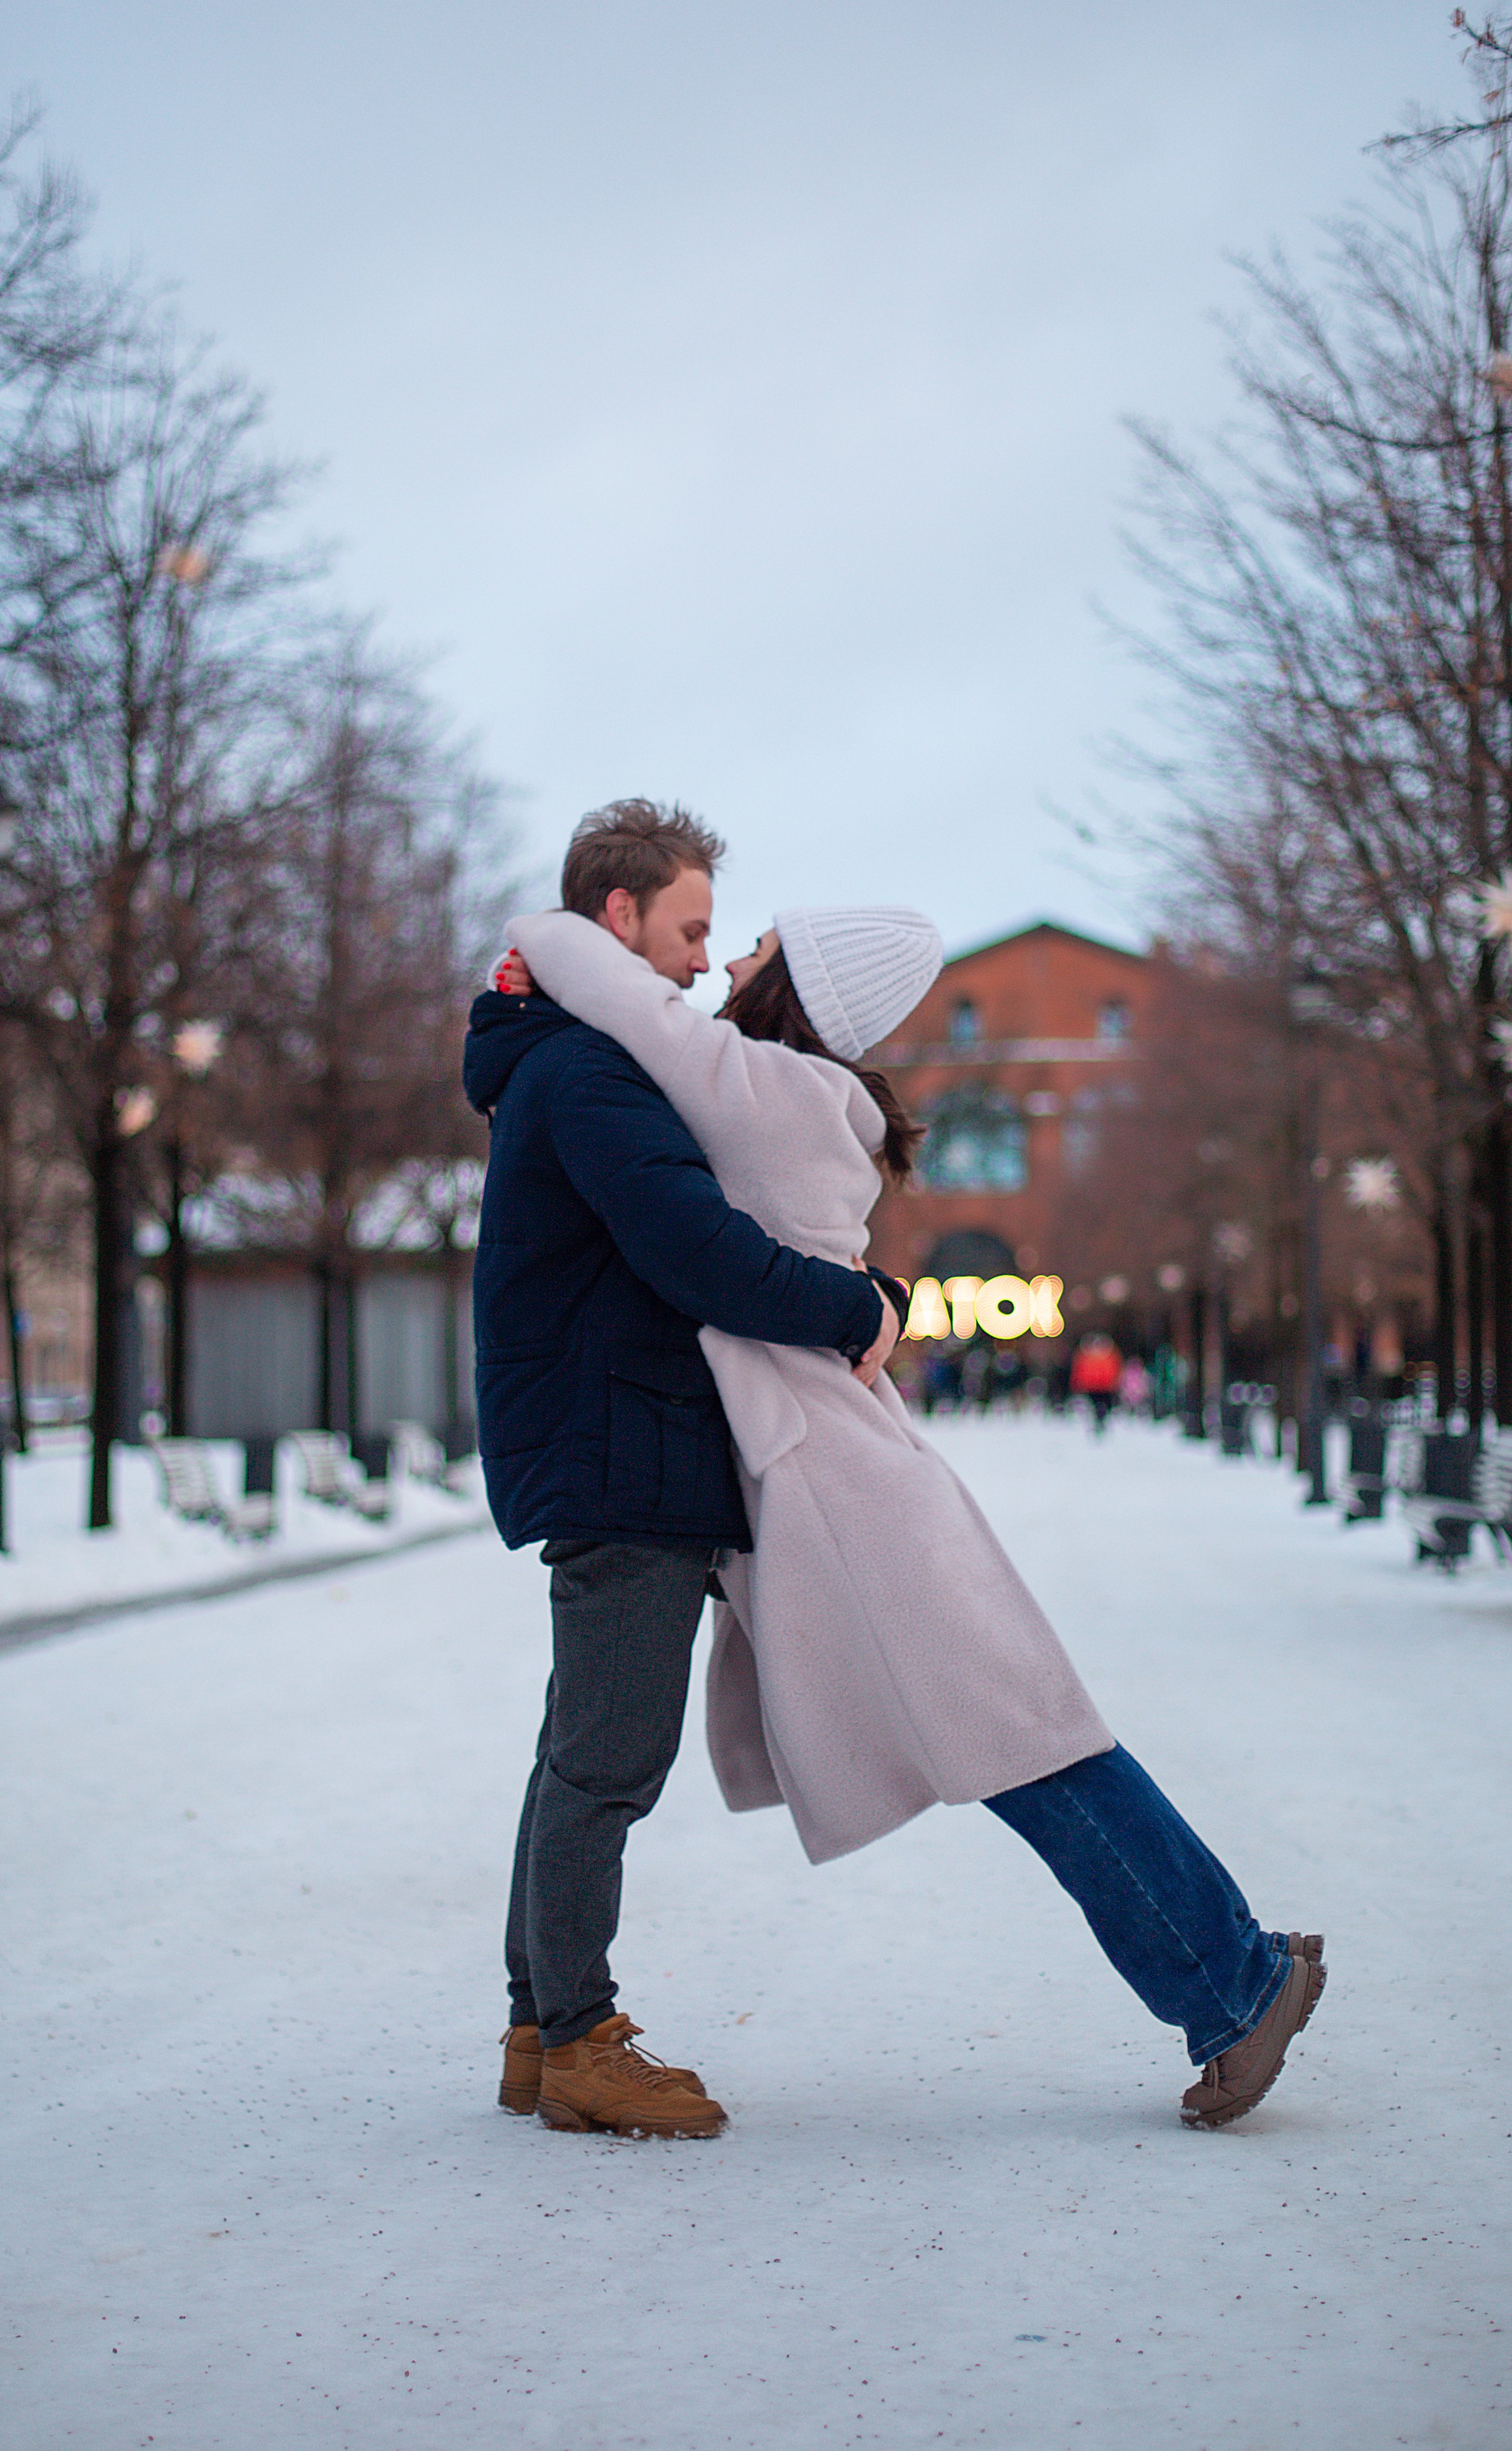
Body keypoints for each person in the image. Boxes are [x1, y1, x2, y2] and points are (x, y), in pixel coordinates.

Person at [495, 900, 1326, 2135]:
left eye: (757, 949)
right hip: (844, 1473)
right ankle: (1232, 1971)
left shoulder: (760, 1085)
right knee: (1032, 1735)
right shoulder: (800, 1091)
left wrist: (538, 943)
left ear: (800, 994)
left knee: (1030, 1739)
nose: (726, 964)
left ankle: (1238, 1979)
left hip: (844, 1492)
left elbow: (617, 998)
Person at [463, 802, 903, 2143]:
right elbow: (695, 1246)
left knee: (574, 1755)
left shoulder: (573, 1059)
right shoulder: (590, 1077)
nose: (710, 964)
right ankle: (582, 2035)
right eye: (692, 928)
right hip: (621, 1445)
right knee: (606, 1758)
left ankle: (541, 2029)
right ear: (619, 919)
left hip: (618, 1434)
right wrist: (858, 1307)